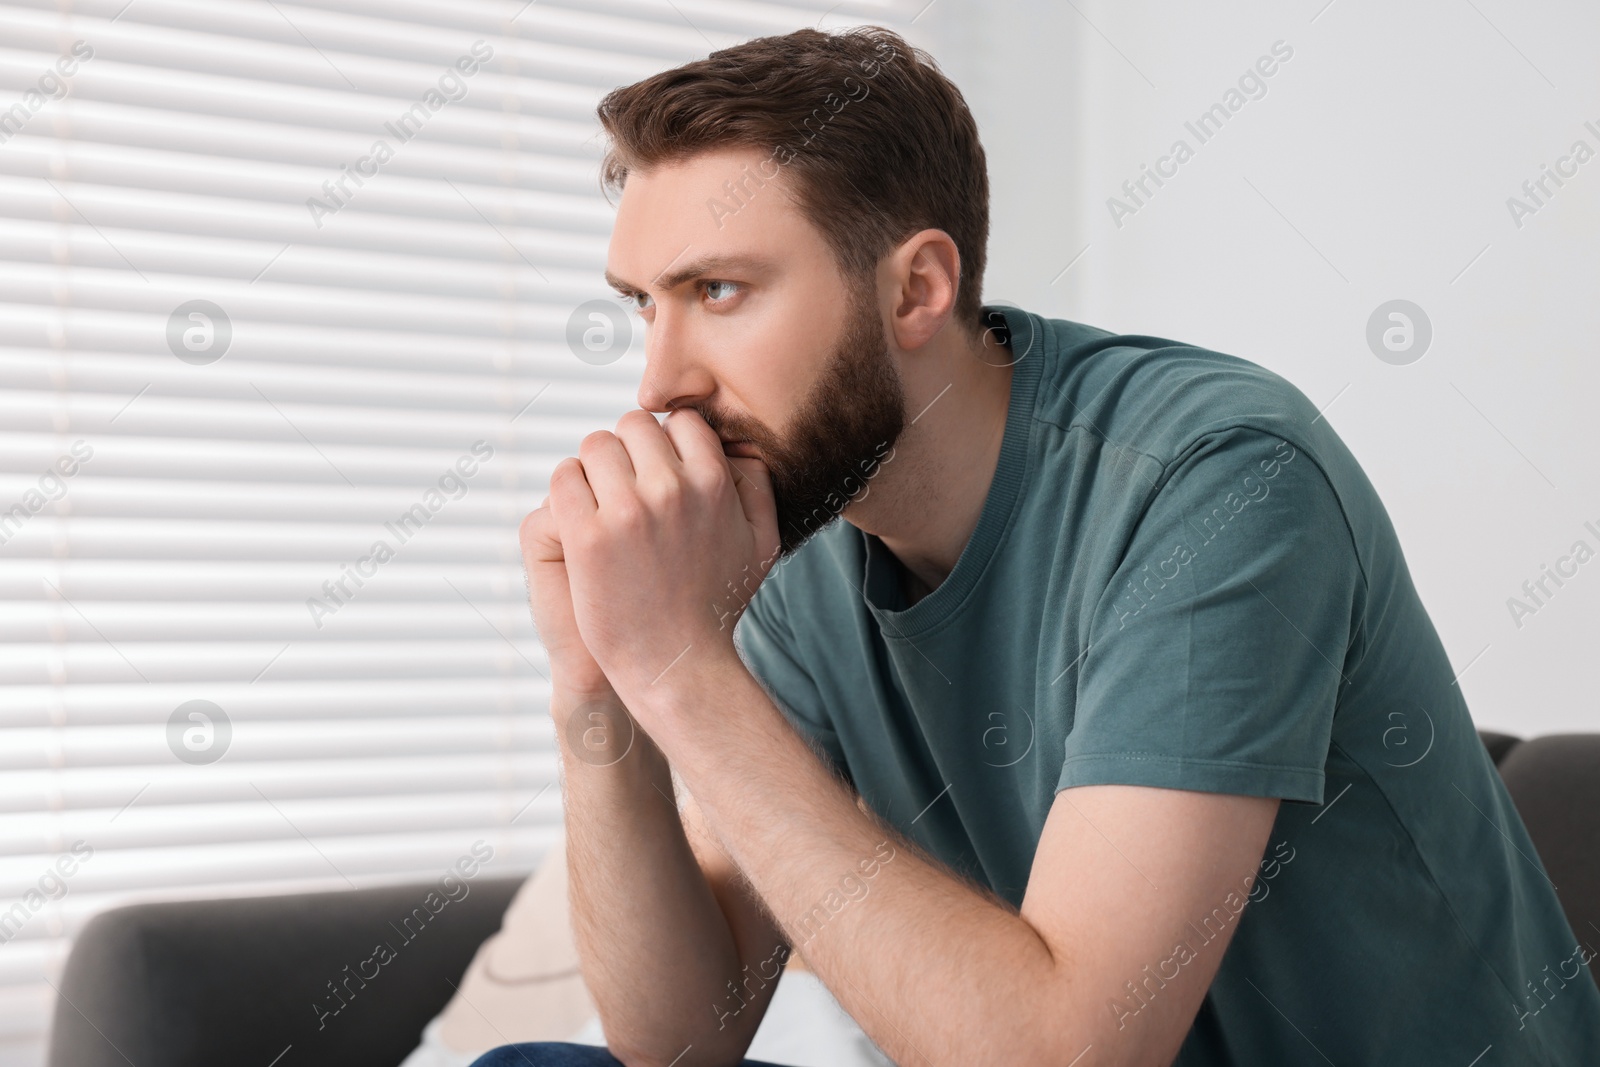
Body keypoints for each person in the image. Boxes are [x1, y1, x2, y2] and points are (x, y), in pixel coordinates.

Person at [486, 24, 1600, 1067]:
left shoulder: (1217, 482)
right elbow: (678, 1037)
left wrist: (682, 668)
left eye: (717, 289)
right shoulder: (801, 519)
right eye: (643, 305)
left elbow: (1065, 1051)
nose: (658, 382)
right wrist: (598, 680)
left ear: (917, 287)